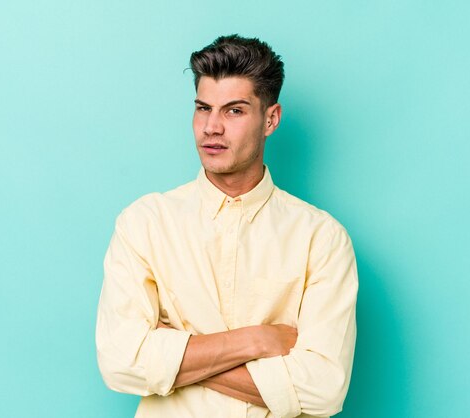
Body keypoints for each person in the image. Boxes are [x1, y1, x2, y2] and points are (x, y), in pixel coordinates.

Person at [96, 34, 358, 418]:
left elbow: (323, 390)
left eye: (234, 111)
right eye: (203, 108)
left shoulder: (321, 238)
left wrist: (174, 355)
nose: (211, 127)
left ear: (270, 119)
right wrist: (258, 340)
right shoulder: (144, 223)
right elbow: (120, 362)